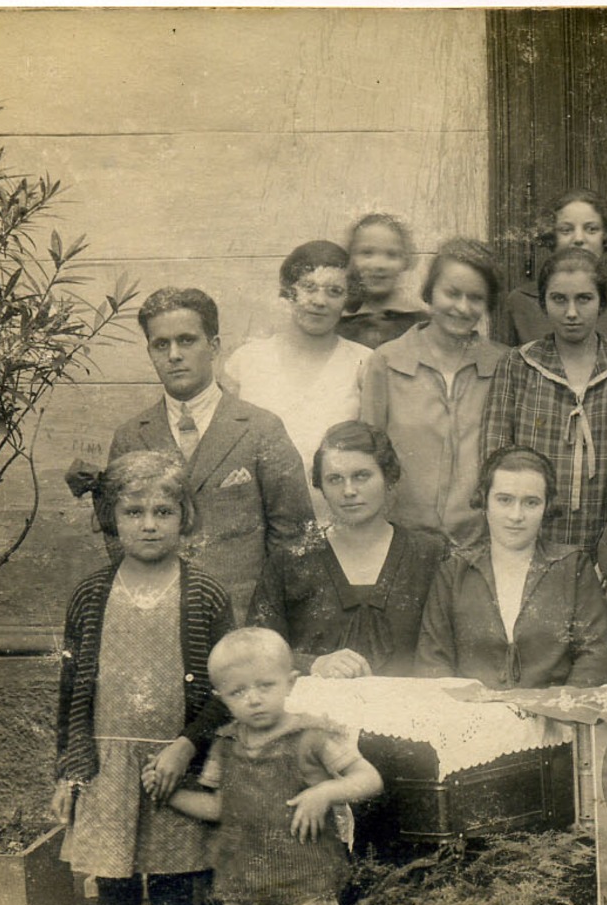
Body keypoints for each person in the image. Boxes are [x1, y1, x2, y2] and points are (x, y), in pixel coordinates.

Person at [54, 451, 234, 905]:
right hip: (109, 771)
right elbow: (70, 694)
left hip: (176, 769)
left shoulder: (204, 594)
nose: (149, 524)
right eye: (134, 512)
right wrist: (69, 771)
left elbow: (227, 688)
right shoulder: (91, 594)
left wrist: (186, 746)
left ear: (186, 517)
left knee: (180, 898)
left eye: (163, 511)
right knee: (115, 898)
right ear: (111, 518)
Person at [154, 627, 383, 905]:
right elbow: (218, 807)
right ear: (221, 698)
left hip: (308, 883)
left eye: (266, 686)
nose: (254, 700)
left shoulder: (312, 735)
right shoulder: (226, 746)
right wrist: (170, 796)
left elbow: (369, 778)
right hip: (250, 886)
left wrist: (324, 792)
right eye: (238, 692)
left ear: (290, 683)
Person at [109, 287, 311, 620]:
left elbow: (294, 537)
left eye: (186, 340)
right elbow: (117, 538)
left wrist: (267, 619)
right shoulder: (131, 437)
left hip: (242, 620)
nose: (174, 354)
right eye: (161, 344)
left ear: (213, 346)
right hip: (159, 618)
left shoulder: (261, 429)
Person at [479, 247, 607, 565]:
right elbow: (495, 460)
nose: (571, 312)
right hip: (529, 541)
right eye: (559, 299)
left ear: (603, 301)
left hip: (605, 543)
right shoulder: (518, 365)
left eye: (584, 299)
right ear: (543, 303)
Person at [248, 421, 446, 679]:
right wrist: (312, 664)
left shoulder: (429, 555)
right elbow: (255, 649)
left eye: (362, 476)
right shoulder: (291, 559)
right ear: (321, 486)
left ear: (388, 477)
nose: (349, 491)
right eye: (335, 479)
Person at [416, 446, 607, 688]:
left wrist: (560, 712)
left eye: (531, 502)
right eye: (504, 500)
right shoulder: (455, 571)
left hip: (552, 718)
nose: (516, 515)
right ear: (484, 502)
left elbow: (595, 655)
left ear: (546, 507)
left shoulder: (572, 568)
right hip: (471, 718)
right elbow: (433, 660)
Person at [361, 238, 508, 547]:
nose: (463, 307)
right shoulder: (387, 362)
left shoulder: (504, 366)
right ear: (430, 292)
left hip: (481, 543)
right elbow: (369, 456)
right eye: (452, 293)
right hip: (401, 541)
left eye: (476, 298)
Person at [222, 241, 375, 515]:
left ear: (347, 299)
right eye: (308, 287)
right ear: (289, 291)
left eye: (334, 291)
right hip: (261, 517)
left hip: (337, 520)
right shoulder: (246, 361)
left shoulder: (363, 362)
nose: (319, 301)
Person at [495, 189, 607, 358]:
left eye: (591, 229)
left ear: (606, 236)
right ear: (552, 237)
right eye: (566, 230)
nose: (578, 238)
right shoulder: (520, 302)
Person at [336, 213, 428, 350]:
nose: (379, 265)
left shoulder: (422, 324)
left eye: (392, 255)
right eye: (367, 253)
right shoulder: (337, 325)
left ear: (406, 261)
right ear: (350, 258)